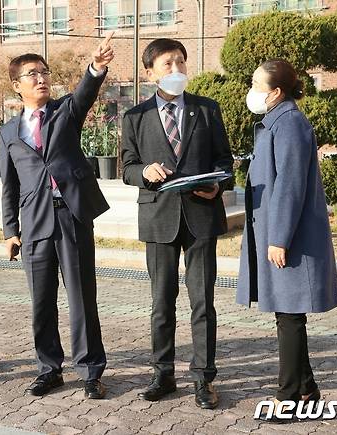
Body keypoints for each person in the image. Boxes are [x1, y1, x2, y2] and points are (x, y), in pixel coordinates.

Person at [0, 32, 115, 399]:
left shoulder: (65, 111)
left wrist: (95, 67)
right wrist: (10, 230)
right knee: (41, 301)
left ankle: (90, 370)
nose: (42, 78)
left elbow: (85, 93)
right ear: (17, 85)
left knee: (82, 296)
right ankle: (49, 369)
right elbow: (9, 185)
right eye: (32, 73)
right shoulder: (7, 133)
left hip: (72, 216)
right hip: (34, 223)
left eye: (45, 72)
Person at [121, 38, 233, 408]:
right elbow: (127, 167)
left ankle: (204, 377)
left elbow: (225, 163)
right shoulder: (134, 117)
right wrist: (144, 171)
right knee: (161, 302)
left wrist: (217, 186)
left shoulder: (206, 110)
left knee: (203, 302)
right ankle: (163, 374)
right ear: (149, 72)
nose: (176, 70)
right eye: (168, 64)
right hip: (159, 216)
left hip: (201, 216)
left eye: (181, 63)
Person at [236, 59, 337, 422]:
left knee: (290, 318)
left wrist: (278, 238)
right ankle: (307, 388)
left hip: (288, 238)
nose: (252, 89)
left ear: (276, 91)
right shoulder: (278, 121)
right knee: (287, 315)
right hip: (280, 234)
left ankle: (288, 396)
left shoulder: (290, 124)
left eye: (256, 83)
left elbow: (290, 188)